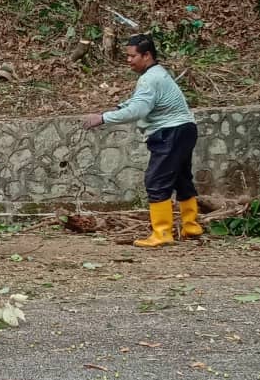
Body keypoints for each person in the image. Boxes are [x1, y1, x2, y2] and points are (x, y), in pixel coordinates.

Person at [82, 34, 203, 247]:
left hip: (170, 132)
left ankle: (162, 233)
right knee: (181, 179)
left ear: (147, 55)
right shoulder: (158, 73)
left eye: (132, 56)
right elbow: (139, 101)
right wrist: (118, 107)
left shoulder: (149, 79)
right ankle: (191, 227)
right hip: (184, 128)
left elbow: (138, 110)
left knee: (156, 181)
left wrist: (103, 118)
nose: (128, 60)